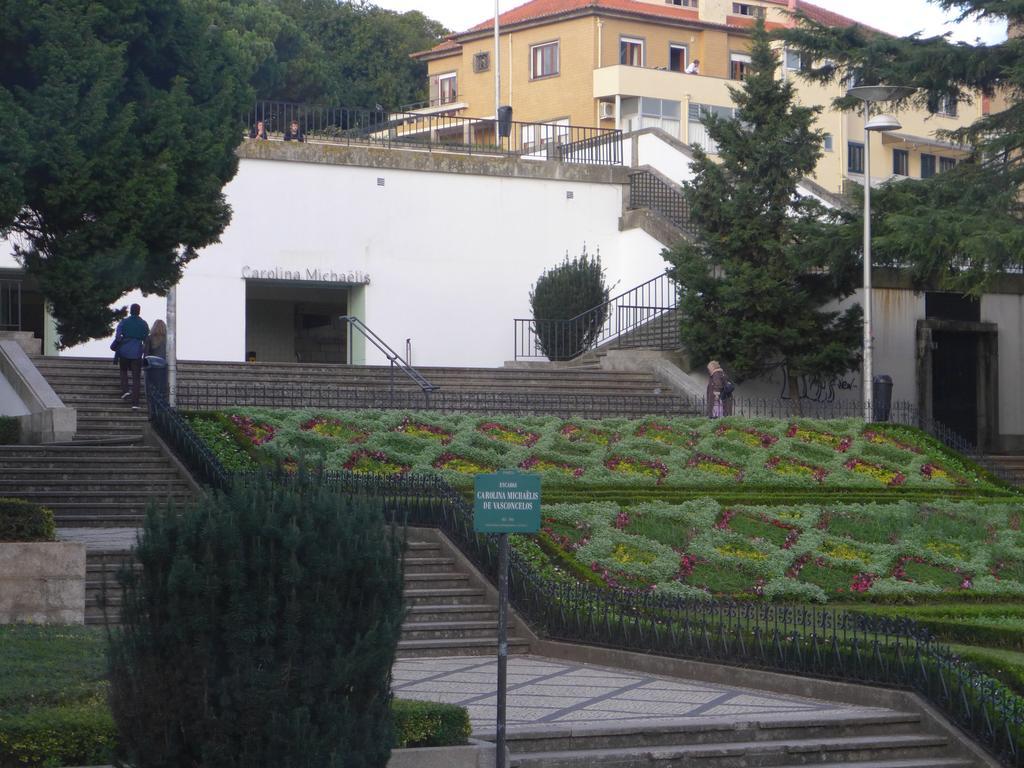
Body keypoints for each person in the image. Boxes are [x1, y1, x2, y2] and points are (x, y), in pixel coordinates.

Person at [112, 304, 149, 409]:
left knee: (123, 371)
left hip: (124, 351)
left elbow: (118, 336)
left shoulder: (124, 322)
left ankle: (125, 390)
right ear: (139, 311)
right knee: (136, 377)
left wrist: (121, 341)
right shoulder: (143, 324)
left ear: (130, 311)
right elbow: (146, 339)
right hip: (137, 352)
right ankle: (135, 403)